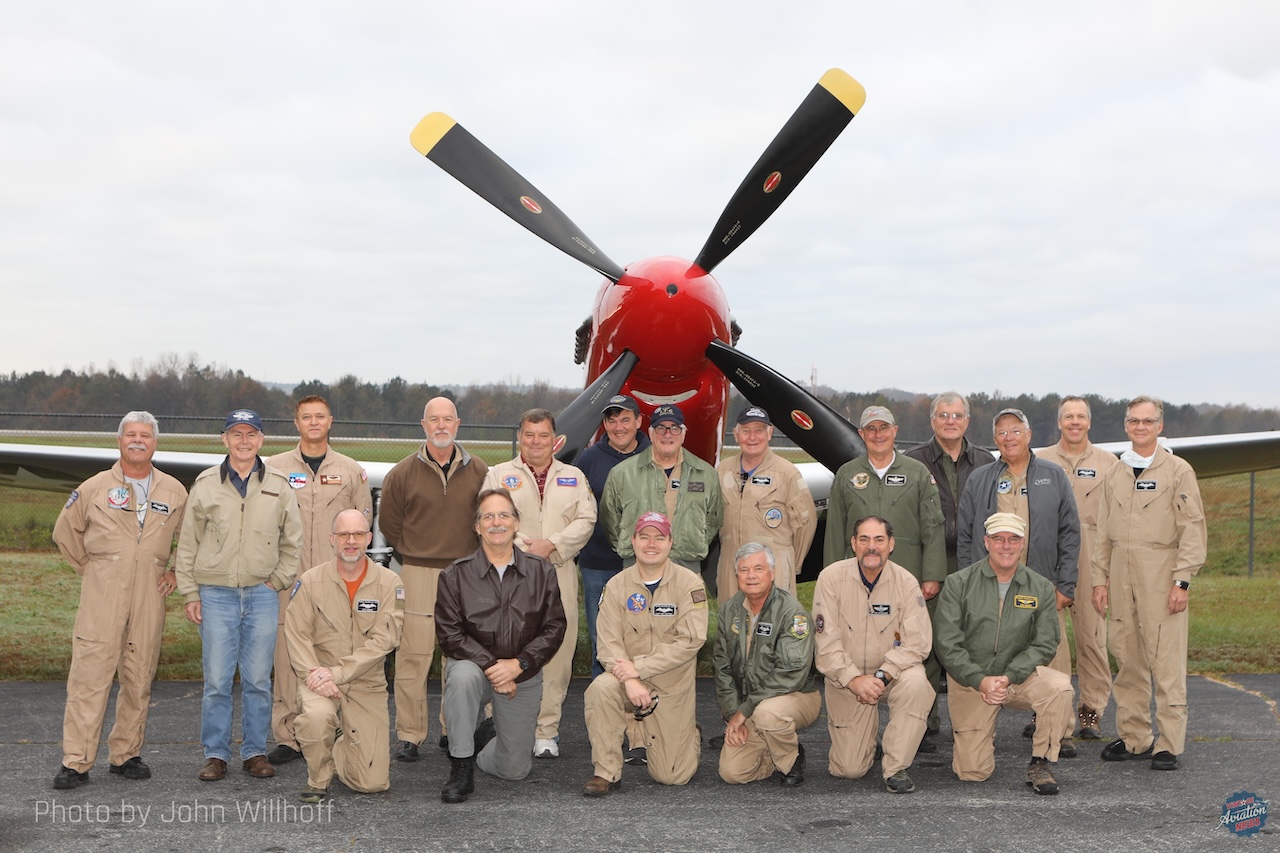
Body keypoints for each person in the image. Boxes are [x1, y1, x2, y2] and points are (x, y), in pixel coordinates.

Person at [51, 412, 188, 790]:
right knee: (89, 678)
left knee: (139, 676)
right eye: (131, 434)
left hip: (149, 595)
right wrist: (94, 568)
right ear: (119, 441)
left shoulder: (175, 491)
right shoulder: (94, 487)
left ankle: (126, 754)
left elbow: (193, 539)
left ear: (155, 443)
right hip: (103, 596)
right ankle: (76, 761)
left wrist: (176, 571)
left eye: (145, 435)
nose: (138, 440)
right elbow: (64, 532)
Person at [174, 409, 302, 782]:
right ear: (225, 439)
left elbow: (292, 540)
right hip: (215, 594)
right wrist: (190, 592)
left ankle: (254, 752)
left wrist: (277, 580)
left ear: (261, 439)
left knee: (258, 680)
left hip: (261, 594)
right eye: (236, 434)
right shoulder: (205, 484)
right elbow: (187, 542)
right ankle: (215, 754)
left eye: (250, 434)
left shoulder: (278, 484)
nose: (243, 441)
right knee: (217, 680)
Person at [956, 407, 1081, 754]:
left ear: (1029, 435)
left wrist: (1065, 585)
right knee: (986, 652)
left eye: (1015, 431)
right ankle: (981, 726)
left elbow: (1070, 533)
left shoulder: (1053, 476)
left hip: (1042, 586)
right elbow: (966, 534)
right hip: (990, 588)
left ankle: (1059, 731)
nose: (1008, 438)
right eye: (1001, 432)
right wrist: (967, 585)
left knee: (1053, 655)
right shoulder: (980, 479)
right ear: (994, 439)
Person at [1093, 396, 1206, 772]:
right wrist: (1100, 580)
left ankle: (1168, 742)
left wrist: (1182, 581)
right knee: (1128, 658)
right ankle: (1135, 736)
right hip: (1121, 572)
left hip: (1160, 571)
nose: (1140, 427)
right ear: (1126, 425)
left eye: (1147, 421)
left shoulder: (1178, 470)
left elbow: (1192, 529)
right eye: (1134, 421)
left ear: (1160, 426)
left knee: (1165, 660)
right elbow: (1103, 532)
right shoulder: (1116, 471)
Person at [824, 404, 946, 747]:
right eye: (870, 429)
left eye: (884, 428)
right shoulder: (847, 474)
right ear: (861, 434)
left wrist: (932, 573)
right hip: (857, 582)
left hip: (908, 579)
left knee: (917, 650)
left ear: (895, 431)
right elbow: (835, 530)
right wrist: (831, 577)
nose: (878, 434)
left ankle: (923, 722)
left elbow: (933, 526)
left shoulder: (917, 473)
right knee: (860, 647)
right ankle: (865, 723)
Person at [434, 489, 567, 804]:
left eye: (504, 515)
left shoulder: (541, 571)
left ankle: (486, 738)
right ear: (477, 526)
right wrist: (494, 667)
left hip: (522, 671)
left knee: (514, 769)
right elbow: (450, 634)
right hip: (474, 666)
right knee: (461, 677)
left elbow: (554, 627)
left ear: (516, 523)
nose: (497, 522)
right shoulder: (455, 575)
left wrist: (520, 664)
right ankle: (461, 765)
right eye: (488, 516)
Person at [378, 396, 489, 762]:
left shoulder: (479, 470)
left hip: (465, 575)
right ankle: (410, 734)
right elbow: (390, 524)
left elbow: (488, 519)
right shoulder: (402, 473)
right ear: (423, 425)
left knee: (458, 656)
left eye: (448, 419)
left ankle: (451, 729)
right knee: (413, 656)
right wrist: (414, 551)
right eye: (434, 419)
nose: (441, 426)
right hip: (418, 572)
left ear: (458, 424)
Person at [483, 408, 597, 759]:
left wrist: (554, 545)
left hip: (558, 572)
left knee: (557, 653)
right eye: (529, 435)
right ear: (520, 437)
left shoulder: (574, 476)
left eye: (543, 435)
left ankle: (546, 731)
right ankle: (503, 725)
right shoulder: (498, 475)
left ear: (555, 440)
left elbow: (587, 518)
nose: (536, 442)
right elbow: (491, 517)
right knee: (507, 648)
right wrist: (526, 550)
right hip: (510, 574)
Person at [265, 395, 373, 766]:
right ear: (296, 423)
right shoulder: (274, 468)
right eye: (306, 417)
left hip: (334, 579)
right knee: (286, 655)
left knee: (334, 651)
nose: (313, 422)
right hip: (288, 579)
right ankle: (288, 735)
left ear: (330, 421)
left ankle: (335, 728)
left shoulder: (350, 470)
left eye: (320, 416)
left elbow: (361, 525)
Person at [934, 512, 1074, 796]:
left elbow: (1046, 642)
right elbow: (947, 643)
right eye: (998, 539)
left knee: (1060, 688)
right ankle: (983, 730)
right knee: (972, 772)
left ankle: (1040, 762)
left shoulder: (1040, 587)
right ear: (986, 542)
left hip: (1017, 677)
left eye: (1013, 539)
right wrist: (980, 680)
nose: (1006, 546)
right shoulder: (959, 583)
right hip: (973, 680)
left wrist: (1009, 676)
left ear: (1022, 543)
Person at [582, 512, 709, 796]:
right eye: (644, 537)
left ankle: (689, 734)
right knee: (600, 689)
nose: (651, 544)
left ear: (670, 543)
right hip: (625, 679)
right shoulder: (616, 586)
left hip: (670, 686)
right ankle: (606, 772)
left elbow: (691, 640)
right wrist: (629, 679)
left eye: (659, 538)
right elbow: (607, 643)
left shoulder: (690, 584)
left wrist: (639, 668)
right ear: (633, 541)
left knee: (672, 776)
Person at [284, 510, 403, 803]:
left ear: (369, 538)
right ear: (332, 539)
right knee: (316, 718)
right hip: (317, 677)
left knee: (372, 784)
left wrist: (337, 673)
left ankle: (341, 743)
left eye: (358, 534)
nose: (351, 541)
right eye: (343, 535)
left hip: (365, 682)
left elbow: (385, 640)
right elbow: (297, 634)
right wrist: (315, 674)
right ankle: (318, 777)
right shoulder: (310, 581)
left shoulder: (390, 583)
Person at [812, 516, 934, 793]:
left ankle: (896, 767)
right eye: (864, 539)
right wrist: (853, 679)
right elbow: (825, 642)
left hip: (892, 673)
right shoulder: (830, 578)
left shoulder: (906, 581)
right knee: (849, 770)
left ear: (891, 545)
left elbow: (918, 643)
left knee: (917, 685)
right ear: (853, 543)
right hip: (847, 678)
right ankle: (868, 740)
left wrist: (882, 675)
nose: (871, 547)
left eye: (879, 540)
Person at [1035, 396, 1118, 741]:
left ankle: (1091, 710)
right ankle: (1051, 708)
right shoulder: (1039, 460)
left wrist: (1107, 571)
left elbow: (1117, 516)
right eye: (1068, 416)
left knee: (1092, 637)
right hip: (1049, 554)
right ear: (1059, 422)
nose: (1074, 422)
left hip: (1092, 555)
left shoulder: (1109, 462)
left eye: (1080, 416)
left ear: (1089, 422)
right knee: (1049, 639)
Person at [713, 542, 820, 786]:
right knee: (732, 773)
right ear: (737, 575)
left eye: (758, 569)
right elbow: (722, 667)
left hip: (796, 696)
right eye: (744, 570)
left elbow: (790, 673)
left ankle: (791, 759)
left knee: (767, 714)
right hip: (752, 705)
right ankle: (774, 748)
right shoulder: (729, 610)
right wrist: (732, 714)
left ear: (772, 573)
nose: (751, 575)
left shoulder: (792, 613)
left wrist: (744, 711)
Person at [574, 394, 651, 677]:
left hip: (644, 565)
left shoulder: (654, 456)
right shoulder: (589, 459)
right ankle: (603, 694)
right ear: (605, 424)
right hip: (598, 565)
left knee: (643, 636)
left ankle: (642, 694)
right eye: (612, 420)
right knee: (601, 637)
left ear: (639, 422)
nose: (619, 427)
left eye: (625, 419)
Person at [601, 403, 723, 572]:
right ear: (651, 433)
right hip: (637, 566)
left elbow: (714, 519)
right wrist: (633, 549)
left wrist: (694, 543)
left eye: (675, 428)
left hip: (686, 567)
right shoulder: (622, 473)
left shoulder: (706, 474)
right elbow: (609, 519)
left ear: (684, 433)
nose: (667, 434)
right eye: (660, 428)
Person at [715, 405, 817, 599]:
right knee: (731, 616)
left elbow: (806, 522)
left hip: (773, 567)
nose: (752, 437)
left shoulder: (787, 473)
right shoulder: (722, 471)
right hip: (732, 566)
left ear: (769, 433)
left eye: (759, 431)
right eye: (746, 431)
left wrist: (789, 563)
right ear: (736, 435)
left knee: (774, 617)